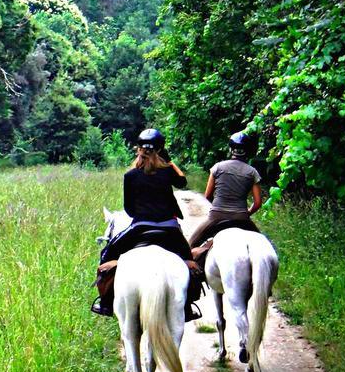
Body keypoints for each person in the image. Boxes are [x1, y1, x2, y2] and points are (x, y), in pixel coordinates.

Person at [92, 128, 202, 317]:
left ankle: (106, 302)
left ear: (138, 149)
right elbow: (182, 182)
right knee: (189, 262)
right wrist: (168, 161)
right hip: (170, 229)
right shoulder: (167, 172)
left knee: (107, 254)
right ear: (160, 149)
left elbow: (129, 210)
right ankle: (188, 303)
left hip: (139, 227)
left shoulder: (130, 176)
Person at [189, 131, 263, 263]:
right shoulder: (252, 172)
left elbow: (207, 195)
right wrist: (247, 213)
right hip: (242, 218)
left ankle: (193, 276)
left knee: (190, 245)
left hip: (217, 217)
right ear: (247, 150)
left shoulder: (218, 167)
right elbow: (257, 202)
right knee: (264, 246)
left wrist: (218, 207)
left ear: (231, 149)